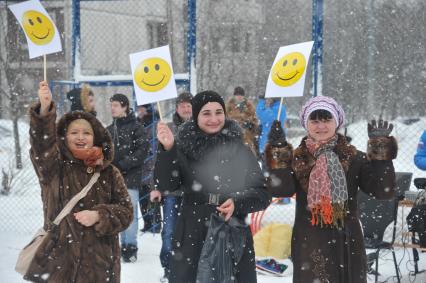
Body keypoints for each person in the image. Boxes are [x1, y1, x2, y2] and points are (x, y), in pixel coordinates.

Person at [265, 96, 398, 283]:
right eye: (315, 120)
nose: (321, 126)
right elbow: (281, 190)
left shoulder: (354, 157)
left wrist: (381, 153)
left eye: (327, 119)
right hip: (310, 242)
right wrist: (279, 153)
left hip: (347, 240)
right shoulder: (297, 159)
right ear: (306, 123)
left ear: (337, 122)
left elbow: (383, 191)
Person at [154, 91, 271, 283]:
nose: (214, 119)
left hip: (232, 231)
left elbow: (262, 194)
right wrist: (168, 150)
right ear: (196, 116)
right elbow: (166, 184)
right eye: (206, 113)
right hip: (192, 232)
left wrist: (237, 202)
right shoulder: (182, 146)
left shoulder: (240, 148)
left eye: (218, 112)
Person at [27, 81, 133, 282]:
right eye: (74, 132)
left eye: (86, 133)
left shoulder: (109, 173)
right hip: (59, 263)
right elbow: (41, 146)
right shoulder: (53, 167)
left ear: (96, 138)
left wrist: (100, 215)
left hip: (100, 266)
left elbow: (126, 212)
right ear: (64, 137)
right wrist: (44, 110)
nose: (80, 137)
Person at [150, 92, 192, 282]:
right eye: (183, 105)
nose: (186, 108)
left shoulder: (200, 128)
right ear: (177, 108)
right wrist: (156, 186)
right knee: (169, 233)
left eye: (189, 105)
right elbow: (158, 161)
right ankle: (168, 269)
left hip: (194, 192)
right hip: (172, 192)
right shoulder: (168, 128)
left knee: (191, 234)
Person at [107, 93, 149, 263]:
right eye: (111, 105)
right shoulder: (109, 129)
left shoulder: (137, 127)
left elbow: (142, 151)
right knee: (115, 213)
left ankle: (130, 247)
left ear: (125, 107)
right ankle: (118, 246)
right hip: (112, 178)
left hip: (130, 178)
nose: (112, 108)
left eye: (115, 105)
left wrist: (123, 164)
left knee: (129, 214)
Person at [136, 104, 162, 233]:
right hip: (141, 165)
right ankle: (147, 223)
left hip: (152, 164)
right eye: (138, 108)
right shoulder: (138, 123)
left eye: (141, 108)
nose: (139, 111)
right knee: (143, 197)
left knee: (152, 194)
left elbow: (155, 144)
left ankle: (155, 224)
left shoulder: (155, 123)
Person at [226, 86, 260, 158]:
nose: (239, 97)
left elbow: (255, 120)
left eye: (241, 95)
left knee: (247, 156)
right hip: (232, 136)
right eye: (237, 95)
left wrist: (251, 125)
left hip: (247, 136)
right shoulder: (228, 106)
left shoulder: (249, 106)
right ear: (234, 96)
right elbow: (224, 119)